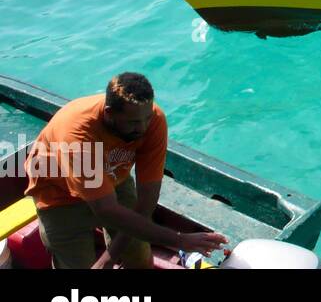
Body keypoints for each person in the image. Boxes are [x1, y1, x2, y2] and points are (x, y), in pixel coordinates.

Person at [24, 72, 227, 269]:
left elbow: (147, 199)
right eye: (133, 122)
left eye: (146, 118)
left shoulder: (153, 119)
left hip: (113, 179)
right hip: (59, 195)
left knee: (139, 254)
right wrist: (179, 240)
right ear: (109, 113)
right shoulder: (76, 135)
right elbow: (106, 210)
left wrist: (109, 257)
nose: (143, 127)